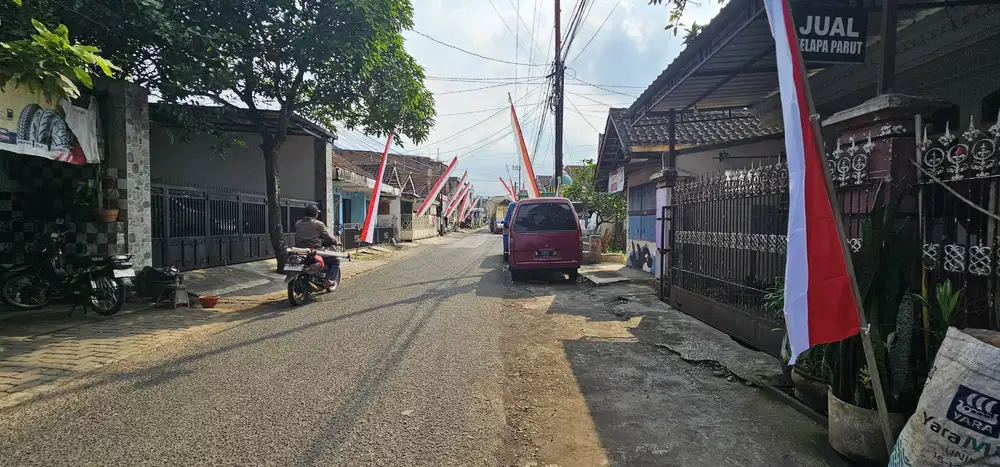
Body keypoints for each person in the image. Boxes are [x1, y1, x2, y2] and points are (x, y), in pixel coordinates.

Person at [293, 205, 342, 290]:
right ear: (316, 214)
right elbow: (328, 237)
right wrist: (336, 241)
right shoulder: (318, 224)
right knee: (335, 260)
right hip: (315, 250)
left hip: (300, 250)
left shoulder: (297, 223)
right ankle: (328, 281)